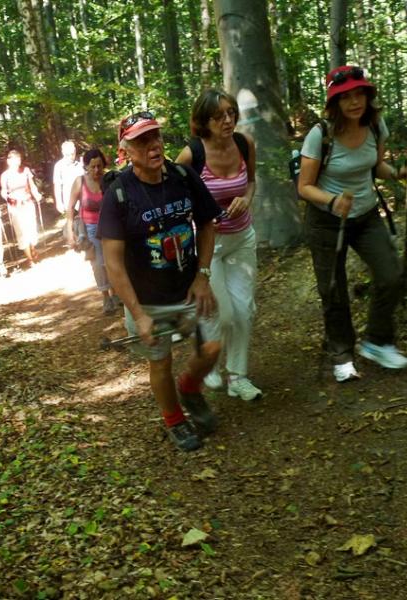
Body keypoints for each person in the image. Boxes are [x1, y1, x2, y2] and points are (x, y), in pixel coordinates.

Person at [98, 111, 222, 452]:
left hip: (191, 287)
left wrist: (203, 275)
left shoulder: (183, 176)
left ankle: (190, 388)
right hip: (147, 298)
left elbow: (207, 223)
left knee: (212, 347)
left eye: (155, 136)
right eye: (141, 141)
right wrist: (138, 314)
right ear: (125, 150)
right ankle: (175, 420)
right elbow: (113, 263)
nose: (152, 145)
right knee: (160, 361)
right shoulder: (119, 195)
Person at [297, 65, 407, 382]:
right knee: (333, 290)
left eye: (359, 94)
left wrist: (398, 174)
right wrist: (332, 201)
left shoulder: (376, 125)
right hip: (327, 221)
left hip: (365, 215)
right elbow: (304, 187)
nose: (354, 102)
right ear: (334, 102)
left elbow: (376, 166)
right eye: (345, 97)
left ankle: (377, 341)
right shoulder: (320, 135)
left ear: (367, 95)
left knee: (391, 275)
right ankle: (342, 355)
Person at [176, 89, 262, 402]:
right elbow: (173, 200)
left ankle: (238, 376)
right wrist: (198, 219)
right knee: (219, 314)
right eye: (218, 116)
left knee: (244, 311)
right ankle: (208, 359)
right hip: (208, 246)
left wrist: (246, 200)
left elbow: (251, 182)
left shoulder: (244, 143)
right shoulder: (191, 155)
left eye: (230, 113)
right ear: (203, 121)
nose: (227, 120)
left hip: (242, 238)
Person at [66, 148, 119, 314]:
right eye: (92, 167)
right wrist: (70, 233)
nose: (96, 170)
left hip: (110, 225)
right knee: (98, 264)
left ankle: (116, 292)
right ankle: (106, 297)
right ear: (86, 167)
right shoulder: (80, 182)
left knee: (112, 260)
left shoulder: (109, 179)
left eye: (99, 166)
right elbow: (70, 208)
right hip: (89, 228)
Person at [0, 150, 41, 267]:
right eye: (14, 160)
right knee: (21, 232)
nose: (17, 162)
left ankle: (32, 248)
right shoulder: (5, 175)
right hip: (15, 207)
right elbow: (3, 190)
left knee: (31, 228)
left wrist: (36, 194)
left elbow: (32, 185)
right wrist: (5, 195)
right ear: (9, 161)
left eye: (18, 160)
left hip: (27, 203)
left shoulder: (26, 170)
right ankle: (30, 259)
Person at [53, 140, 84, 215]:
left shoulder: (80, 165)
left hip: (82, 201)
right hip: (69, 202)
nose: (70, 157)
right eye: (67, 155)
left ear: (75, 151)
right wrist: (59, 202)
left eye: (72, 154)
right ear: (63, 153)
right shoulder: (59, 166)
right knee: (72, 221)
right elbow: (57, 185)